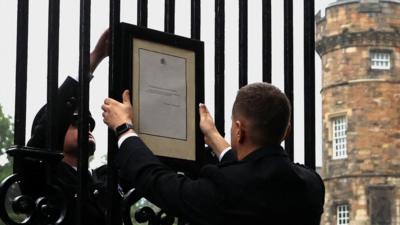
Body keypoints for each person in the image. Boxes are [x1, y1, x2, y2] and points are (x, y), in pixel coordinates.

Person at [101, 82, 325, 225]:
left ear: (238, 129)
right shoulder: (311, 184)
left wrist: (124, 129)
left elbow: (159, 182)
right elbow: (254, 179)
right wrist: (218, 141)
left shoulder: (226, 189)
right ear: (286, 132)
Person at [27, 29, 116, 225]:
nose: (87, 128)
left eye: (90, 124)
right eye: (77, 122)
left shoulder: (105, 178)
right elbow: (48, 127)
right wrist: (94, 59)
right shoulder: (42, 175)